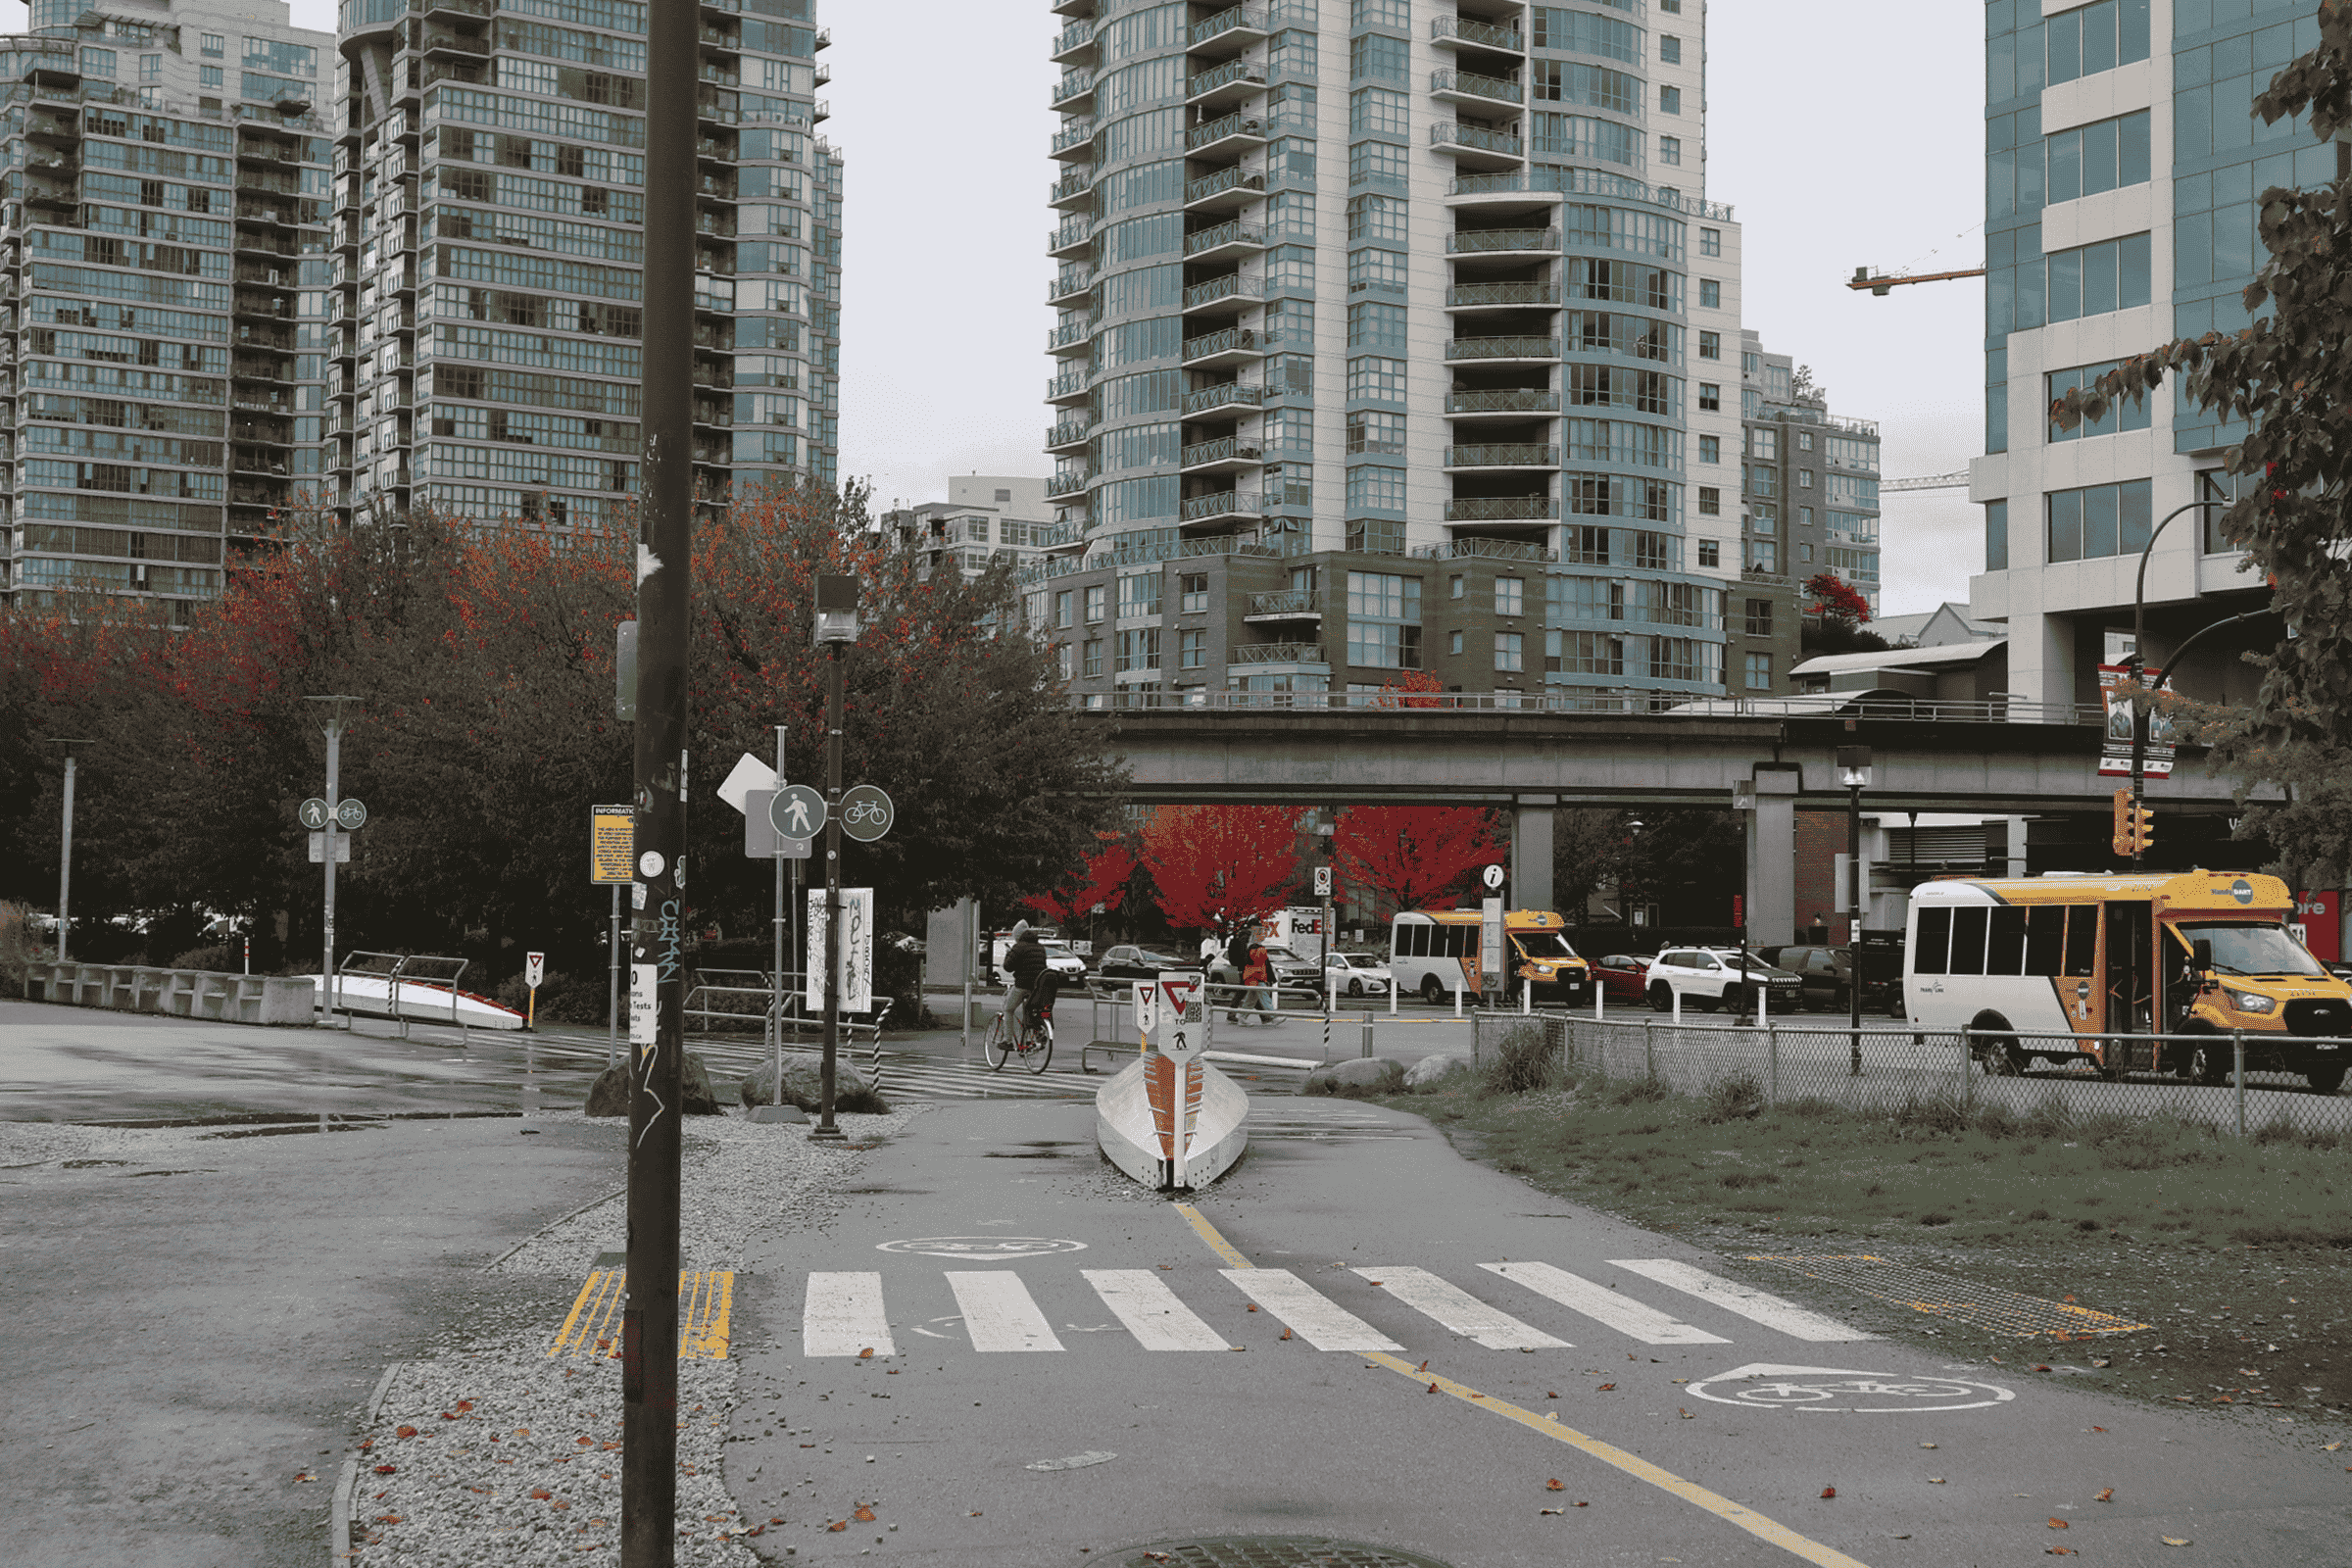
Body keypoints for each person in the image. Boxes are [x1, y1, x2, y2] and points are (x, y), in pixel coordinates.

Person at [1003, 925, 1049, 1039]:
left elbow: (1008, 967)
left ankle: (1007, 1040)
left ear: (1018, 936)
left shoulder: (1018, 947)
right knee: (1030, 1009)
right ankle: (1036, 1032)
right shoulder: (1040, 947)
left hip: (1022, 985)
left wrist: (1008, 953)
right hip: (1038, 986)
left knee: (1008, 1009)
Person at [1239, 940, 1278, 1025]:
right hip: (1258, 980)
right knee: (1264, 997)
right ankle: (1273, 1016)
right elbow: (1267, 967)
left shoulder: (1249, 956)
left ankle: (1242, 1017)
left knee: (1250, 1000)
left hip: (1252, 980)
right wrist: (1271, 979)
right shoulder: (1257, 956)